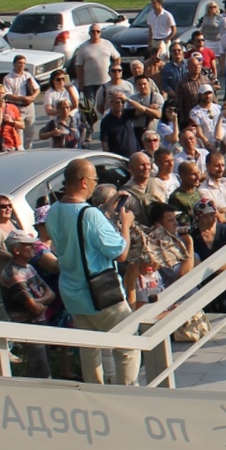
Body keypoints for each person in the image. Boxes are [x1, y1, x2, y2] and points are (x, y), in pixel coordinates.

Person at [48, 158, 138, 385]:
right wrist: (125, 224)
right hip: (100, 292)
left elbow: (77, 233)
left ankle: (94, 390)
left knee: (89, 348)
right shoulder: (90, 215)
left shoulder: (53, 210)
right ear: (83, 181)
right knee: (128, 344)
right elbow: (120, 253)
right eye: (95, 180)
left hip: (72, 292)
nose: (95, 185)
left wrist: (105, 212)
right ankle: (130, 392)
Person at [0, 231, 57, 379]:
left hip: (39, 323)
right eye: (28, 246)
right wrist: (42, 303)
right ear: (16, 250)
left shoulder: (28, 267)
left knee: (40, 361)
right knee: (40, 366)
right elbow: (34, 309)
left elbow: (51, 293)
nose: (33, 248)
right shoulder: (14, 275)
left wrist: (39, 302)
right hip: (28, 326)